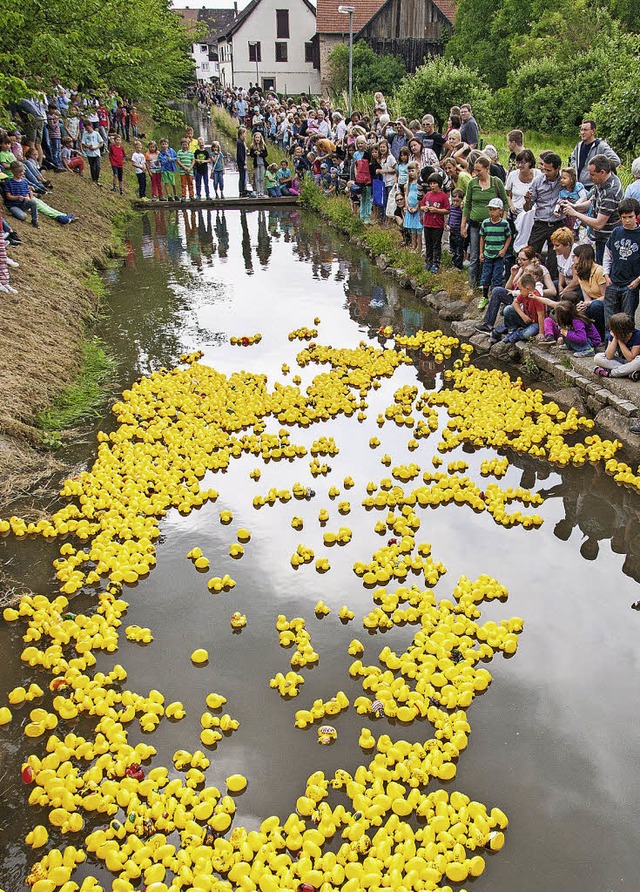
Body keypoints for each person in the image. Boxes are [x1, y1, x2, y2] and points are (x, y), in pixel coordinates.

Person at [475, 246, 556, 335]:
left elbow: (553, 291)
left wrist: (533, 293)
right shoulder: (521, 268)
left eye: (523, 260)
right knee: (497, 291)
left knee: (509, 309)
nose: (520, 262)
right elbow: (508, 288)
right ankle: (488, 324)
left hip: (531, 303)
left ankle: (513, 328)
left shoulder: (539, 269)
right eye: (519, 259)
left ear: (531, 259)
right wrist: (512, 275)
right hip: (519, 298)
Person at [562, 155, 623, 264]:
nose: (590, 177)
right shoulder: (602, 182)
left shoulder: (610, 192)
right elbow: (592, 202)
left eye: (592, 174)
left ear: (602, 172)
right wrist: (574, 206)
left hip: (608, 239)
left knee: (603, 271)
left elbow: (599, 224)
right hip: (599, 238)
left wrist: (575, 213)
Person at [461, 155, 508, 289]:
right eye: (474, 170)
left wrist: (502, 220)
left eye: (479, 170)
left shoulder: (496, 182)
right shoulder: (472, 183)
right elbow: (467, 204)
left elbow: (505, 202)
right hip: (476, 224)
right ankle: (472, 283)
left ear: (487, 169)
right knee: (475, 254)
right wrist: (463, 224)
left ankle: (486, 283)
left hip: (493, 225)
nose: (476, 173)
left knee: (491, 254)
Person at [602, 197, 640, 328]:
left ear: (636, 216)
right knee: (610, 322)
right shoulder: (616, 232)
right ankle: (610, 347)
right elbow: (608, 254)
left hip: (630, 284)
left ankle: (627, 348)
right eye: (624, 217)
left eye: (630, 217)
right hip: (613, 282)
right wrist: (606, 275)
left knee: (626, 322)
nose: (627, 220)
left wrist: (637, 280)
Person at [524, 152, 563, 277]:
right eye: (544, 169)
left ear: (558, 168)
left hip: (557, 223)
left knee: (554, 259)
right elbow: (527, 208)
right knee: (531, 253)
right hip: (541, 223)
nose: (545, 172)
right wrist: (527, 201)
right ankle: (528, 279)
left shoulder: (564, 180)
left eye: (549, 170)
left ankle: (551, 285)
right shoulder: (537, 181)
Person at [561, 242, 607, 341]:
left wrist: (589, 303)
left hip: (602, 303)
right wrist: (583, 304)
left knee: (594, 306)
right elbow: (586, 297)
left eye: (575, 256)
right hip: (591, 302)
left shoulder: (599, 271)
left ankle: (601, 336)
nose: (573, 259)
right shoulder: (580, 272)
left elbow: (606, 296)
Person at [478, 197, 511, 308]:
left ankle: (495, 296)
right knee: (486, 275)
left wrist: (504, 250)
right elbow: (482, 237)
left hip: (498, 255)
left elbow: (508, 237)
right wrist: (481, 252)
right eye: (490, 210)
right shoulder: (486, 223)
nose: (491, 212)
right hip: (488, 253)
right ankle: (485, 297)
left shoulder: (504, 224)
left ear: (500, 211)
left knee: (497, 276)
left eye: (494, 210)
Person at [506, 149, 540, 252]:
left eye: (523, 163)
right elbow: (507, 193)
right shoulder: (513, 175)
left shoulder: (538, 174)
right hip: (516, 212)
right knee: (513, 240)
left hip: (531, 215)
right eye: (518, 162)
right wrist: (511, 205)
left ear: (530, 163)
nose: (519, 165)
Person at [569, 120, 621, 188]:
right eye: (581, 130)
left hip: (593, 186)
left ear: (593, 131)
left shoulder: (601, 146)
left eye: (585, 130)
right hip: (579, 185)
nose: (582, 132)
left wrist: (599, 171)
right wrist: (575, 169)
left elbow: (616, 160)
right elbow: (573, 158)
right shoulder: (579, 145)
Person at [501, 272, 546, 342]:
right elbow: (515, 303)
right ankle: (511, 330)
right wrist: (523, 315)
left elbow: (541, 316)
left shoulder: (537, 298)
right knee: (508, 309)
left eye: (521, 289)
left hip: (536, 323)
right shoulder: (523, 294)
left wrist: (541, 333)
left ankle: (518, 333)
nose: (520, 292)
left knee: (527, 334)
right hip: (526, 319)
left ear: (527, 288)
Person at [594, 312, 640, 379]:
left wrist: (619, 340)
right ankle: (628, 372)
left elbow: (630, 358)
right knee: (598, 357)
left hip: (633, 361)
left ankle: (611, 373)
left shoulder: (637, 335)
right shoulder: (613, 335)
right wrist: (615, 338)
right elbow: (609, 356)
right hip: (620, 362)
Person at [420, 173, 450, 273]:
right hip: (427, 223)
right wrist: (424, 208)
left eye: (434, 183)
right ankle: (428, 262)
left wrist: (437, 211)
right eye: (430, 183)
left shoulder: (443, 196)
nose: (432, 185)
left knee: (436, 245)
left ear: (439, 184)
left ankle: (436, 263)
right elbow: (422, 205)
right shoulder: (427, 195)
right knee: (428, 244)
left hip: (437, 225)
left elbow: (447, 210)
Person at [3, 162, 39, 226]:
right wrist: (17, 197)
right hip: (13, 206)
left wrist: (27, 198)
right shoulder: (9, 182)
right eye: (19, 172)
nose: (21, 173)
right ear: (13, 172)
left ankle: (34, 220)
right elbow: (8, 196)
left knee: (33, 202)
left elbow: (26, 193)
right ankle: (14, 213)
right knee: (23, 217)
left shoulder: (24, 182)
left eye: (22, 171)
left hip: (22, 205)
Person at [556, 167, 587, 234]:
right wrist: (556, 210)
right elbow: (559, 201)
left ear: (572, 179)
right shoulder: (562, 191)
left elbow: (584, 197)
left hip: (579, 211)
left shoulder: (578, 186)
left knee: (578, 227)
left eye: (564, 178)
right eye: (561, 178)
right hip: (568, 214)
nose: (562, 180)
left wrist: (575, 204)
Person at [403, 162, 422, 251]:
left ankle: (419, 246)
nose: (411, 173)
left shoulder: (419, 182)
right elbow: (406, 194)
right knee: (412, 228)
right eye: (409, 171)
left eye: (412, 170)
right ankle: (413, 245)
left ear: (417, 170)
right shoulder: (408, 183)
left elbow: (420, 196)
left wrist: (417, 207)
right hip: (410, 207)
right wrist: (407, 205)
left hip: (417, 207)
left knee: (418, 228)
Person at [448, 188, 464, 270]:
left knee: (459, 250)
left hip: (459, 233)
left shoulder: (462, 210)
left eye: (457, 201)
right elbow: (450, 217)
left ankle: (458, 265)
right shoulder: (452, 207)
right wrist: (447, 224)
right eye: (454, 201)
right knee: (453, 249)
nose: (455, 203)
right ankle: (454, 263)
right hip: (452, 232)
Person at [249, 132, 268, 198]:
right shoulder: (252, 146)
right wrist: (255, 153)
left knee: (262, 178)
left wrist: (260, 153)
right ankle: (258, 191)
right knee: (257, 178)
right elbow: (251, 155)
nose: (257, 139)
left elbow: (266, 154)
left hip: (262, 163)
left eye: (258, 137)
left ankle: (262, 191)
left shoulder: (263, 146)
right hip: (256, 164)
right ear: (254, 138)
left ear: (260, 138)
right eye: (256, 137)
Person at [236, 127, 248, 197]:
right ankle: (242, 191)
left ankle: (243, 190)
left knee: (243, 177)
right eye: (244, 134)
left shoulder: (241, 142)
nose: (245, 135)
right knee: (242, 177)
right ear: (241, 134)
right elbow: (240, 155)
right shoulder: (240, 143)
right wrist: (244, 163)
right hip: (241, 163)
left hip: (241, 162)